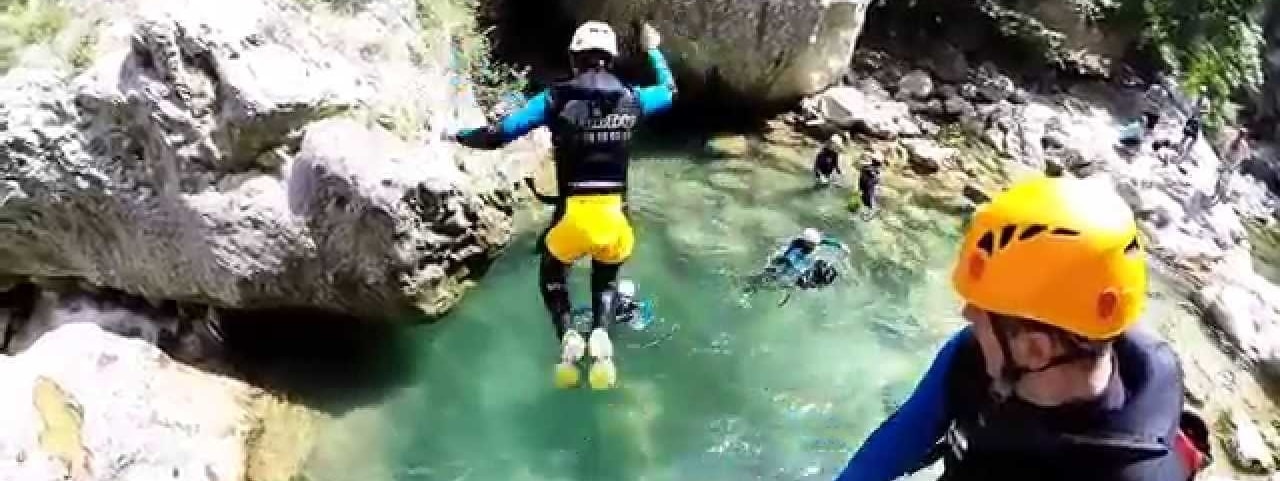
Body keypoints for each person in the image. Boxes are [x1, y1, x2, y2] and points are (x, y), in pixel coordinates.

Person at [835, 176, 1210, 481]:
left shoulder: (1130, 469)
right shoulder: (977, 354)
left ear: (1035, 350)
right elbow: (892, 447)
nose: (967, 315)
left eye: (982, 313)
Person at [452, 21, 676, 390]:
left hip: (573, 216)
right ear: (611, 59)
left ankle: (568, 334)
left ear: (575, 58)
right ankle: (601, 333)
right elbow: (669, 90)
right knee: (605, 281)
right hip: (615, 219)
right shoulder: (633, 99)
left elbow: (498, 135)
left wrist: (458, 136)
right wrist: (653, 49)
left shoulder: (554, 99)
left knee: (553, 276)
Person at [749, 228, 848, 292]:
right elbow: (789, 264)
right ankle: (752, 285)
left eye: (816, 244)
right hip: (783, 266)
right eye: (813, 245)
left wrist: (840, 245)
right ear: (806, 242)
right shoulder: (796, 251)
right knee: (772, 279)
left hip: (792, 261)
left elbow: (825, 241)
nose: (815, 246)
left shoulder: (812, 242)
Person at [857, 151, 884, 220]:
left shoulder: (866, 168)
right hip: (867, 190)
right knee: (869, 204)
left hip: (864, 189)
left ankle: (866, 214)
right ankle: (867, 215)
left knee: (866, 203)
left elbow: (861, 178)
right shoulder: (871, 170)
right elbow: (875, 181)